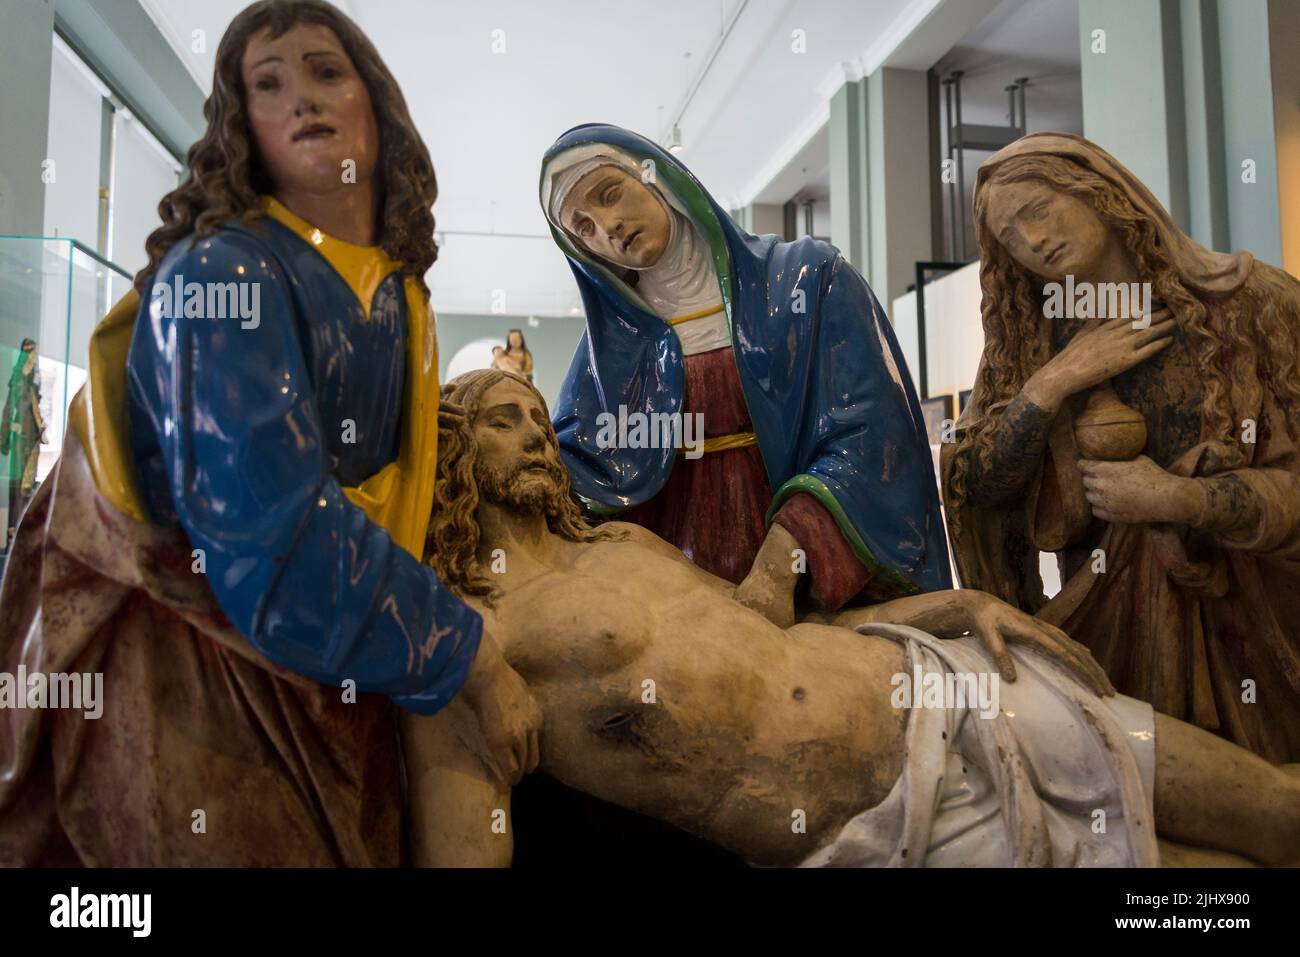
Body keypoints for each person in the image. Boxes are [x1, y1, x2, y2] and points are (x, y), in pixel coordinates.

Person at [0, 0, 538, 867]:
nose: (301, 98)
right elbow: (271, 545)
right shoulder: (220, 275)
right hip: (199, 668)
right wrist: (464, 652)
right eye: (268, 82)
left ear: (376, 103)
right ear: (240, 123)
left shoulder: (395, 292)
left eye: (327, 71)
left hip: (338, 658)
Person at [403, 368, 1300, 868]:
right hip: (881, 826)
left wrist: (960, 603)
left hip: (945, 688)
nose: (533, 434)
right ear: (452, 446)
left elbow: (778, 629)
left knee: (1276, 806)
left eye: (536, 416)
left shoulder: (623, 544)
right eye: (500, 420)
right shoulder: (469, 639)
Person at [942, 132, 1300, 763]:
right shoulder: (1030, 348)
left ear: (1099, 190)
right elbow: (974, 482)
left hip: (1255, 624)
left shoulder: (1251, 305)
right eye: (1009, 238)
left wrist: (1180, 498)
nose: (1032, 242)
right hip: (1109, 627)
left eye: (1037, 209)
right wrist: (1051, 386)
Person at [540, 125, 950, 628]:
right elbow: (577, 473)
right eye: (582, 227)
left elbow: (872, 440)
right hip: (675, 597)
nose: (606, 227)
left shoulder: (808, 279)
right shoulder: (607, 351)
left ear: (659, 179)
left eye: (610, 194)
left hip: (803, 582)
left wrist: (782, 566)